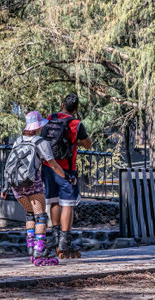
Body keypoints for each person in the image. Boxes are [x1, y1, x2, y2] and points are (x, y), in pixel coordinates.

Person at [1, 111, 75, 266]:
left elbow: (12, 164)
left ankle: (30, 248)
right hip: (32, 184)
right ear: (38, 126)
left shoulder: (18, 141)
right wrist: (67, 176)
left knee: (29, 215)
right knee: (40, 217)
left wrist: (6, 186)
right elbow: (53, 164)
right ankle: (39, 252)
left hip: (16, 185)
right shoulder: (40, 142)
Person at [41, 94, 92, 259]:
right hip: (67, 169)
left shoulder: (50, 118)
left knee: (54, 201)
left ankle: (55, 237)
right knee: (67, 204)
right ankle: (65, 240)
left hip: (48, 167)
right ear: (76, 108)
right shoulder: (76, 124)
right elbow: (88, 144)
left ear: (62, 104)